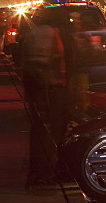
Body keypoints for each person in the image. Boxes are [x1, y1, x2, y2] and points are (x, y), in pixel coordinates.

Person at [20, 12, 70, 189]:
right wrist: (46, 91)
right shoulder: (45, 33)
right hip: (48, 90)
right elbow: (38, 65)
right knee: (46, 133)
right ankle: (41, 175)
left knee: (49, 133)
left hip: (48, 89)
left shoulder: (40, 32)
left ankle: (47, 171)